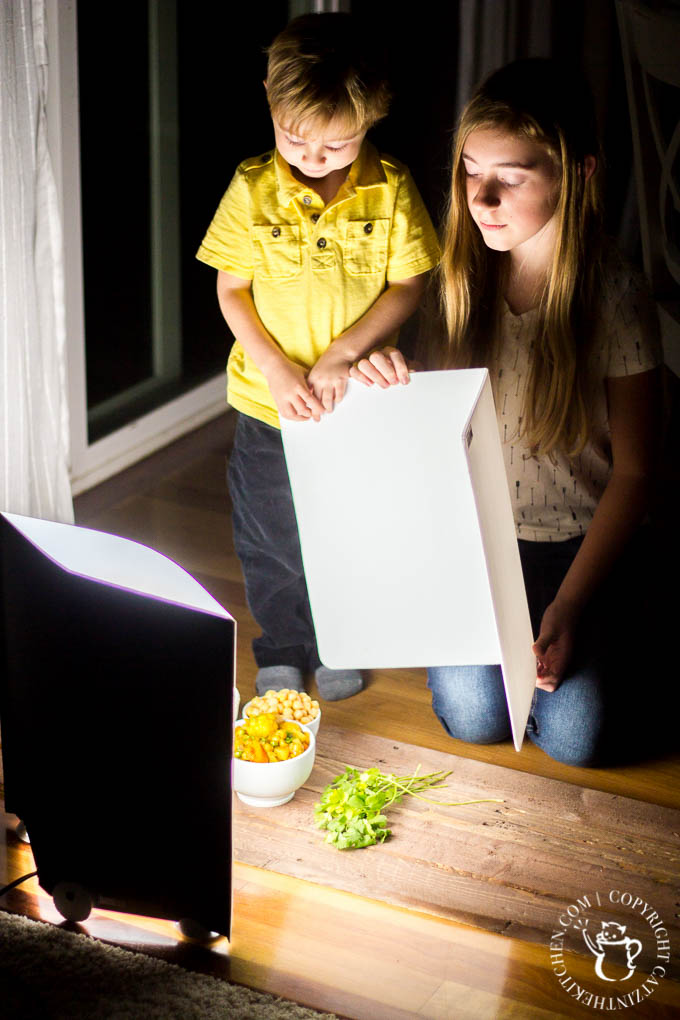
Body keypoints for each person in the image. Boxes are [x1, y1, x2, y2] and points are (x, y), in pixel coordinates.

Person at [350, 58, 663, 765]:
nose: (481, 197)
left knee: (579, 739)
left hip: (590, 545)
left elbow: (639, 473)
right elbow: (428, 427)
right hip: (486, 540)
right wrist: (382, 374)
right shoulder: (455, 280)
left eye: (511, 177)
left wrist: (573, 606)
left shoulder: (614, 293)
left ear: (577, 173)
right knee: (472, 718)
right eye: (469, 170)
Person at [196, 14, 440, 701]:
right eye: (294, 138)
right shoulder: (252, 189)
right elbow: (231, 287)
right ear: (270, 102)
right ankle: (283, 644)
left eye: (337, 145)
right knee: (271, 536)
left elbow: (409, 282)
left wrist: (343, 353)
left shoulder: (390, 188)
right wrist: (276, 369)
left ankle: (341, 638)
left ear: (372, 119)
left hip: (355, 403)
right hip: (268, 407)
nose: (313, 157)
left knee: (346, 529)